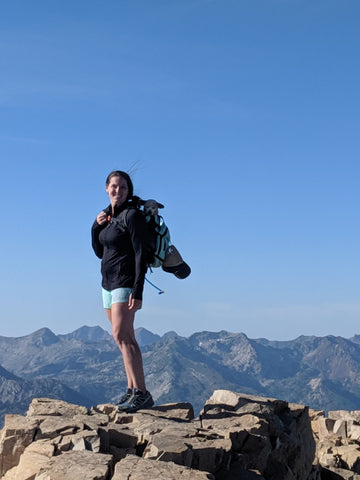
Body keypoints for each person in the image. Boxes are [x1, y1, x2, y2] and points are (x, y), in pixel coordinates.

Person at [91, 170, 154, 413]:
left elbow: (141, 254)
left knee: (123, 336)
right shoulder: (106, 217)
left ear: (129, 191)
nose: (118, 191)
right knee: (121, 336)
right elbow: (99, 251)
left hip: (125, 281)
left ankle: (142, 394)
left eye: (123, 187)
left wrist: (138, 290)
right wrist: (95, 228)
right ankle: (131, 390)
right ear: (107, 188)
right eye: (114, 186)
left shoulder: (132, 216)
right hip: (106, 283)